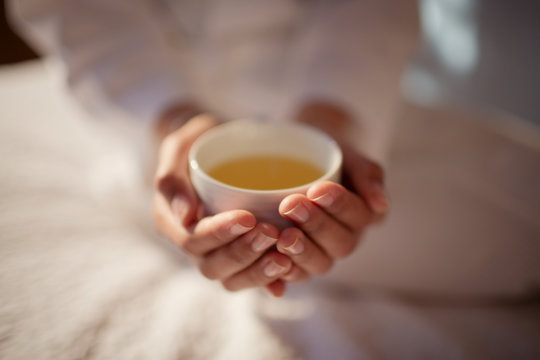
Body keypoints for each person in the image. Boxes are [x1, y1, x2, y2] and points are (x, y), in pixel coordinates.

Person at [10, 0, 415, 296]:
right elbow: (81, 13)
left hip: (343, 93)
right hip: (154, 109)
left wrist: (332, 113)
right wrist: (174, 119)